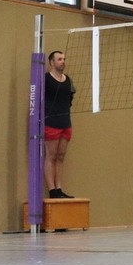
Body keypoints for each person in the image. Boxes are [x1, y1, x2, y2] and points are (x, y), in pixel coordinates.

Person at [44, 51, 76, 199]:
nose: (62, 61)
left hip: (65, 122)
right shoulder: (46, 79)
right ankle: (52, 190)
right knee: (51, 155)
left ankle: (59, 188)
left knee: (61, 156)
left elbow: (69, 99)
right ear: (52, 62)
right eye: (59, 59)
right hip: (51, 122)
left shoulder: (68, 80)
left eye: (64, 59)